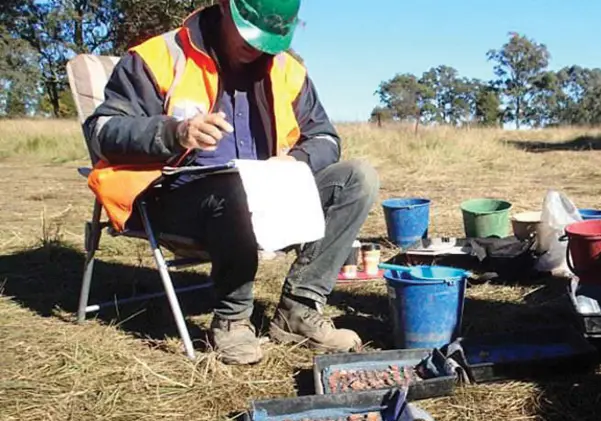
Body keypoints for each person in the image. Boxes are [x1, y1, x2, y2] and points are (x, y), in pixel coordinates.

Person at [82, 0, 380, 364]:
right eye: (249, 34)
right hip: (176, 200)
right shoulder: (159, 57)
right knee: (234, 185)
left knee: (358, 177)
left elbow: (326, 139)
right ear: (225, 7)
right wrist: (174, 132)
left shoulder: (287, 69)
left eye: (269, 40)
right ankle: (233, 319)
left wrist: (295, 161)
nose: (256, 47)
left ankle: (299, 310)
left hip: (266, 197)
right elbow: (101, 131)